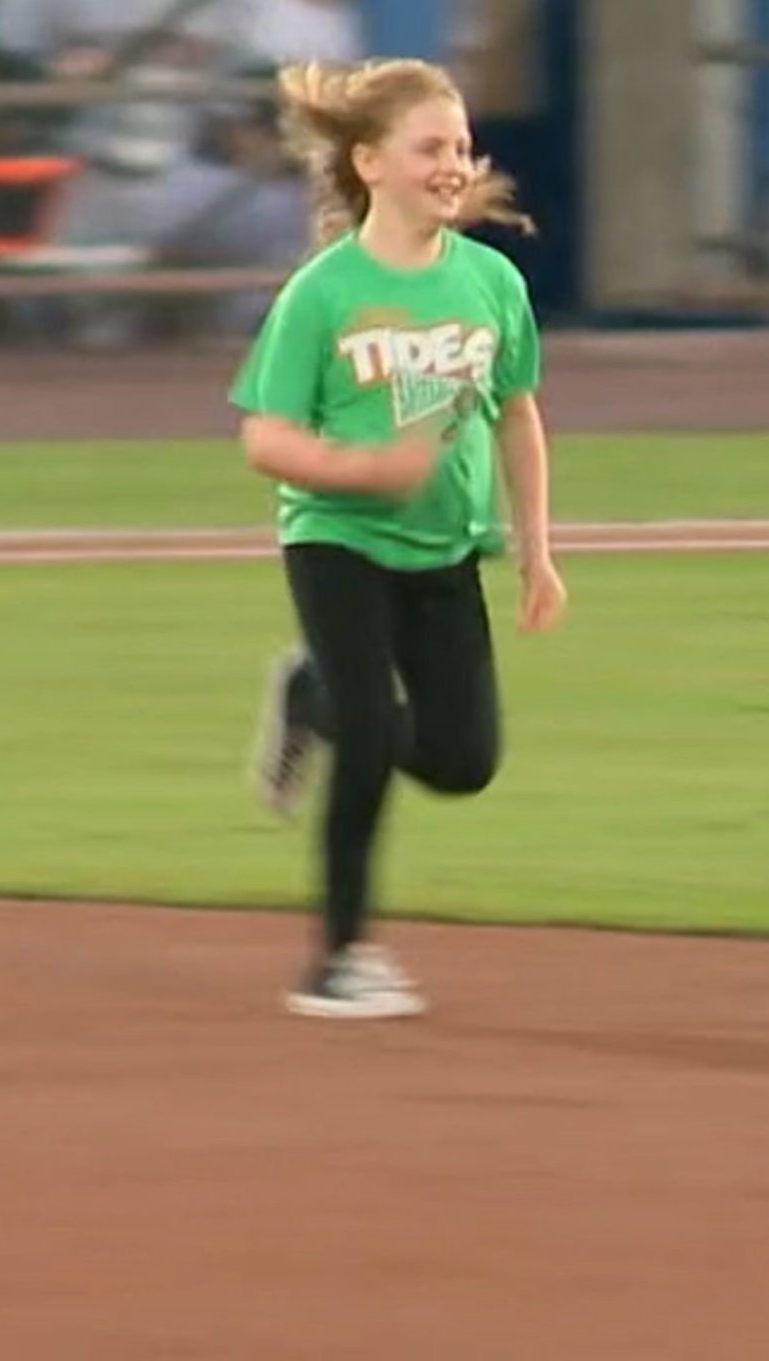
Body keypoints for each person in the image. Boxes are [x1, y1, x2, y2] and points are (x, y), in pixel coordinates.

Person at [225, 57, 568, 1021]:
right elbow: (265, 436)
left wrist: (537, 549)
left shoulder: (490, 282)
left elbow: (518, 415)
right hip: (338, 539)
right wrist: (357, 470)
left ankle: (314, 698)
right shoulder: (325, 293)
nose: (454, 164)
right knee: (376, 732)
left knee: (464, 759)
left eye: (461, 146)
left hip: (447, 547)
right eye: (431, 148)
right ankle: (339, 959)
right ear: (370, 162)